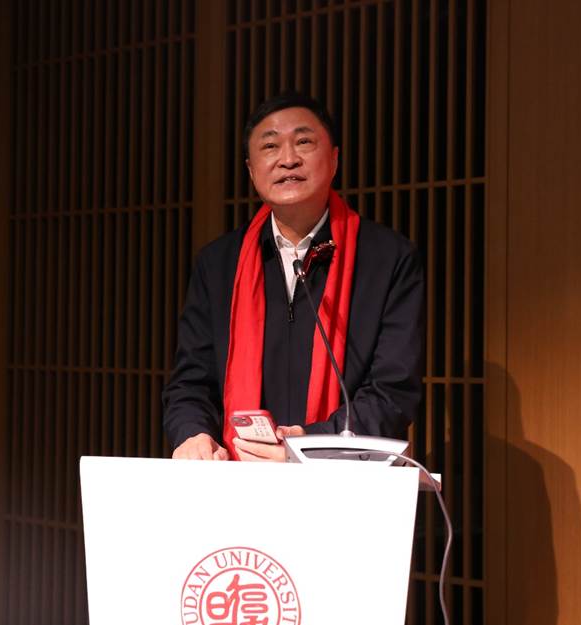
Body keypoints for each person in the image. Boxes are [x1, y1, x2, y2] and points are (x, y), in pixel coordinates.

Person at [162, 92, 424, 462]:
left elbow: (393, 391)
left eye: (303, 142)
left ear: (334, 159)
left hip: (343, 477)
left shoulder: (389, 259)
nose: (288, 159)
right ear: (251, 169)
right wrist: (193, 434)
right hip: (237, 476)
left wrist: (309, 445)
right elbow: (191, 381)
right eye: (270, 146)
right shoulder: (218, 264)